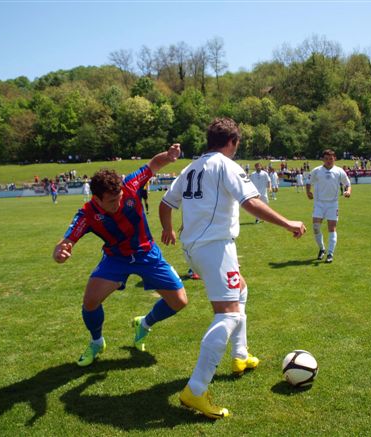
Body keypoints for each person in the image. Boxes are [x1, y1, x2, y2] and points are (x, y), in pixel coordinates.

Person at [160, 118, 306, 419]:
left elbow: (165, 204)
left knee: (241, 289)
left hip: (198, 245)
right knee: (227, 313)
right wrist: (288, 223)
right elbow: (250, 202)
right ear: (233, 142)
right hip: (214, 246)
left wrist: (168, 230)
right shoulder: (226, 165)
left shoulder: (191, 167)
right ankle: (196, 390)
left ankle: (240, 356)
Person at [52, 144, 188, 368]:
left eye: (119, 198)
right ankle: (97, 342)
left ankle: (143, 324)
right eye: (111, 201)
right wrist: (60, 252)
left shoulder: (131, 185)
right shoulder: (87, 215)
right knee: (90, 301)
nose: (118, 203)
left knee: (179, 301)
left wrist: (170, 156)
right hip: (116, 259)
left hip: (147, 253)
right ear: (96, 199)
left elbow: (153, 165)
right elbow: (66, 241)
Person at [306, 149, 351, 264]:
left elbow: (348, 184)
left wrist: (348, 191)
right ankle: (322, 248)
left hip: (332, 204)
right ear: (323, 159)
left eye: (331, 159)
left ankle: (330, 253)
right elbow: (308, 182)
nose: (329, 161)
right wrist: (308, 192)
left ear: (334, 159)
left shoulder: (339, 171)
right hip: (319, 203)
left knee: (332, 228)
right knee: (316, 227)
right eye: (326, 159)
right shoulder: (316, 171)